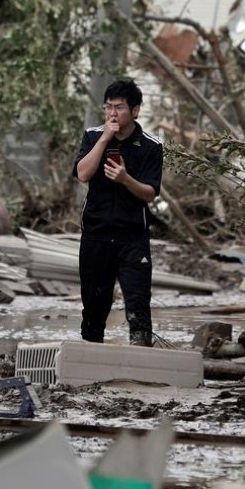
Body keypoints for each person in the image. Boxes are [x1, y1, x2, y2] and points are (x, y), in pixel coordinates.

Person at [73, 78, 163, 347]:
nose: (113, 113)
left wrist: (125, 178)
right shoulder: (93, 136)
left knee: (138, 306)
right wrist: (104, 139)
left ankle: (142, 372)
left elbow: (149, 192)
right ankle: (89, 370)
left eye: (120, 107)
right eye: (108, 107)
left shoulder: (150, 145)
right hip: (96, 235)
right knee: (93, 307)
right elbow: (82, 174)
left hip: (132, 238)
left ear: (135, 110)